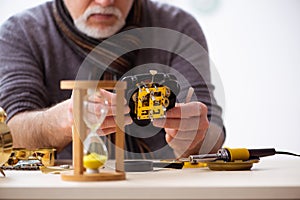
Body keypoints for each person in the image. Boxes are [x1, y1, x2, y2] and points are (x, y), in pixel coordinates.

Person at [0, 0, 225, 160]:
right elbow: (11, 132)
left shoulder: (177, 26)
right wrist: (63, 120)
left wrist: (195, 136)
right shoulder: (21, 32)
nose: (105, 1)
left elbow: (213, 132)